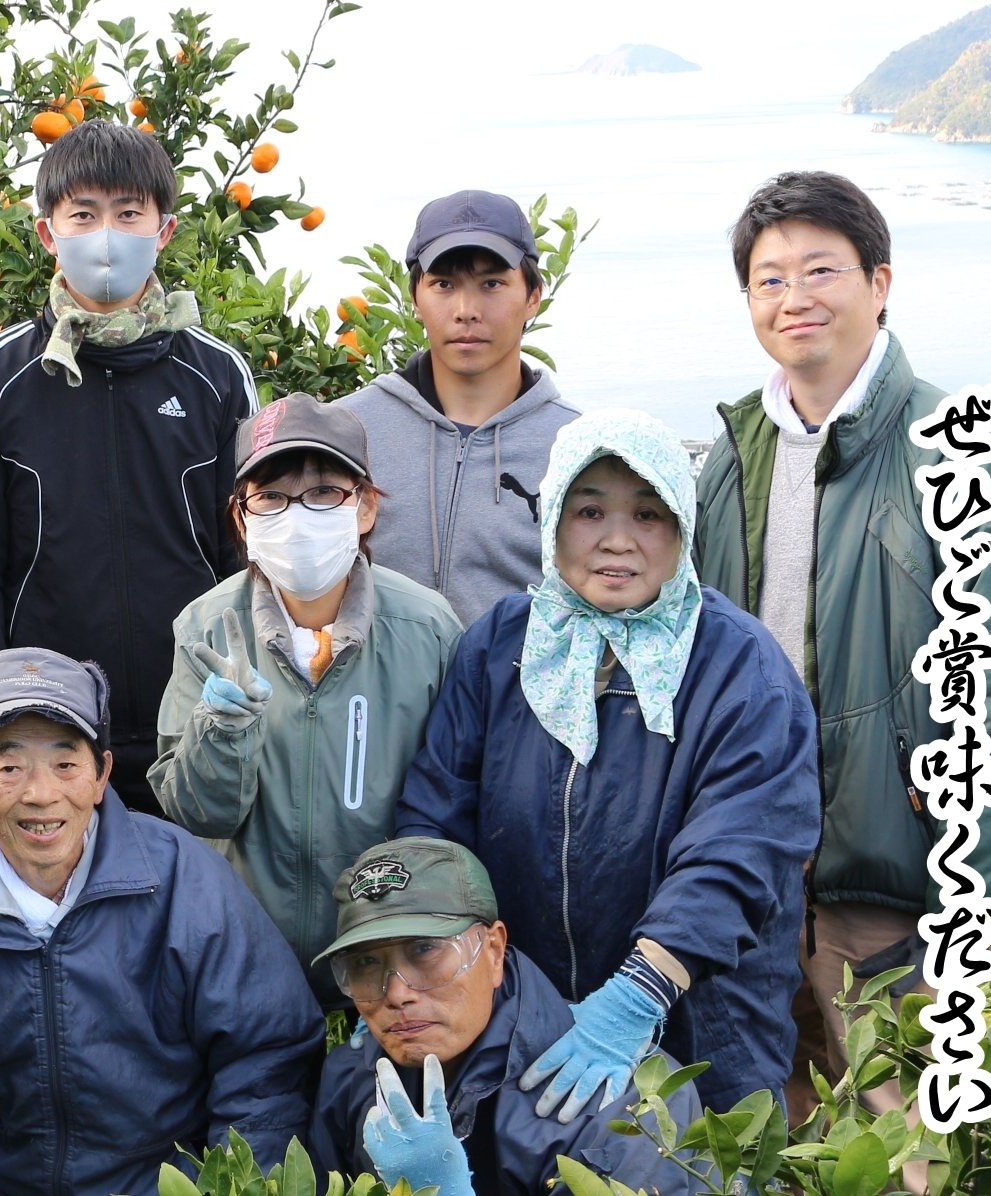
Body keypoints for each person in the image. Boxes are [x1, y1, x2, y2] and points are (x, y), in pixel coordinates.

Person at [695, 172, 991, 1131]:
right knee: (781, 1144)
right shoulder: (731, 454)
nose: (795, 297)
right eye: (769, 279)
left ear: (881, 281)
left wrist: (982, 893)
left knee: (908, 1156)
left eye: (822, 269)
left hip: (900, 900)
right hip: (757, 889)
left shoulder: (959, 451)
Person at [395, 409, 820, 1114]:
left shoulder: (738, 665)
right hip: (518, 1013)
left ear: (683, 529)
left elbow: (740, 853)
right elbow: (437, 819)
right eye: (589, 510)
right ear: (553, 519)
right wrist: (424, 969)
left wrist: (638, 994)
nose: (617, 540)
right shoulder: (501, 645)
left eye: (649, 514)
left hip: (702, 1029)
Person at [0, 648, 325, 1195]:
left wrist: (227, 1187)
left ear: (101, 776)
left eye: (66, 764)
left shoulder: (185, 882)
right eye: (10, 764)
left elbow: (264, 1065)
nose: (42, 794)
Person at [0, 120, 260, 816]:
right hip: (48, 727)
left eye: (128, 213)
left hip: (194, 713)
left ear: (163, 230)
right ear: (48, 232)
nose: (106, 234)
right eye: (83, 214)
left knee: (192, 914)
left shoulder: (216, 373)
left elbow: (248, 547)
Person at [151, 395, 461, 1005]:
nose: (298, 515)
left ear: (366, 506)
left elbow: (453, 806)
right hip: (245, 964)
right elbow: (195, 817)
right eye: (271, 496)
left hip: (388, 970)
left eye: (324, 492)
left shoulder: (428, 629)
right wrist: (221, 730)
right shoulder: (206, 628)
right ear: (242, 518)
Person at [307, 838, 702, 1194]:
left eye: (424, 950)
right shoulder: (353, 1076)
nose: (395, 993)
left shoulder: (626, 1098)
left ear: (494, 950)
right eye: (366, 963)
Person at [334, 190, 579, 625]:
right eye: (443, 284)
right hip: (371, 692)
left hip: (514, 693)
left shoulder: (578, 447)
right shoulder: (344, 431)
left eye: (492, 284)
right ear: (415, 296)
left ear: (533, 297)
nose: (466, 311)